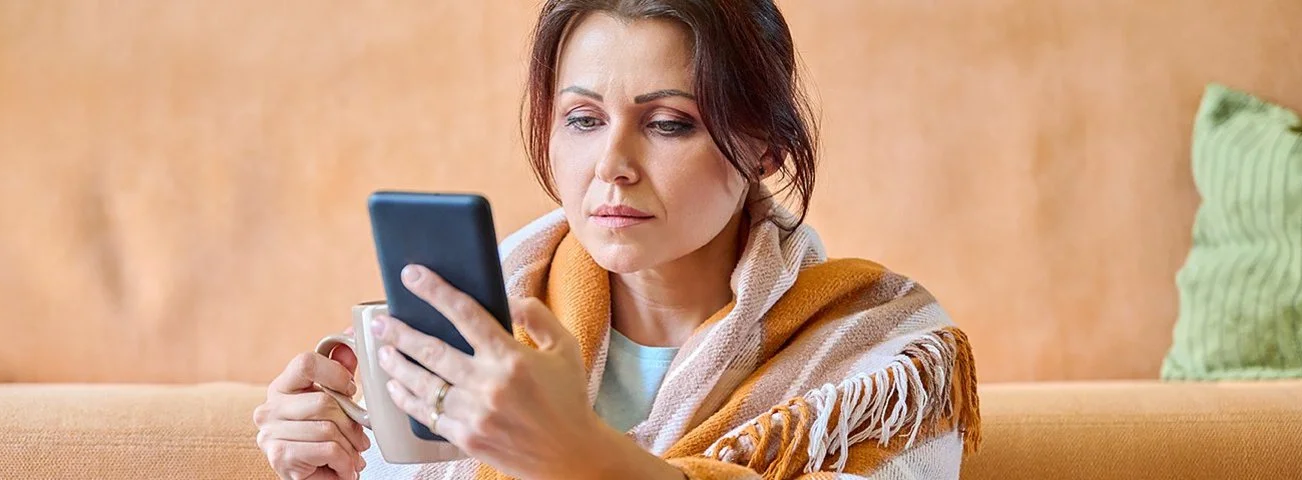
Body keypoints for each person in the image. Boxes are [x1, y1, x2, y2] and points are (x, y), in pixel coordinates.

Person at [252, 1, 980, 479]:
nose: (612, 166)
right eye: (582, 118)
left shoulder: (879, 358)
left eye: (668, 123)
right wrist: (329, 462)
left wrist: (575, 454)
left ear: (766, 148)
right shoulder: (477, 343)